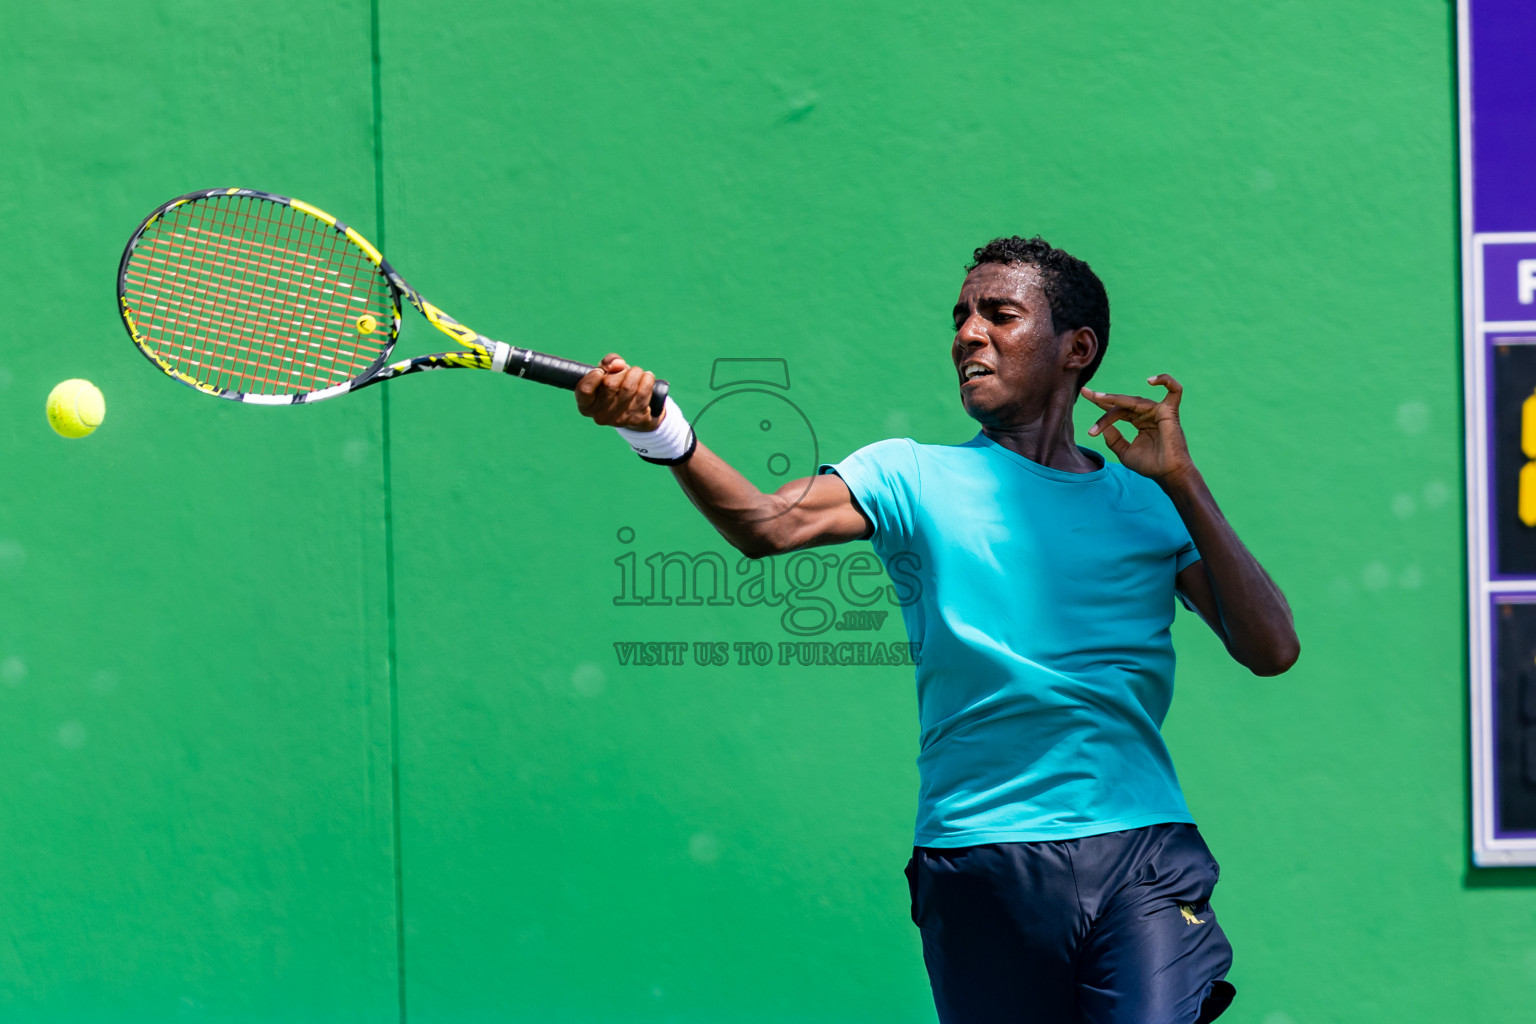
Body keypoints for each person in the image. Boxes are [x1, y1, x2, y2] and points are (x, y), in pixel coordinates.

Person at [574, 235, 1299, 1024]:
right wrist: (661, 433)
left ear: (1076, 348)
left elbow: (1271, 648)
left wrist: (1183, 481)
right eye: (960, 317)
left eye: (1000, 314)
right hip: (975, 860)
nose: (967, 334)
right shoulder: (909, 474)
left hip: (1142, 856)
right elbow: (763, 524)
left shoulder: (1152, 504)